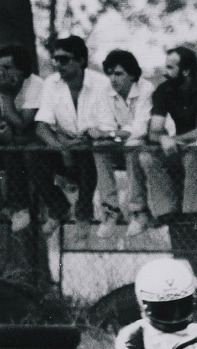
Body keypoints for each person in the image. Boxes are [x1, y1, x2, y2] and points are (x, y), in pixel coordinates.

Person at [35, 35, 115, 234]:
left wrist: (84, 139)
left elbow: (107, 125)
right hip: (64, 144)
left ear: (80, 61)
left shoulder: (102, 84)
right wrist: (62, 147)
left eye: (64, 60)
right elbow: (41, 126)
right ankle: (58, 207)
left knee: (89, 154)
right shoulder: (51, 83)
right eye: (55, 60)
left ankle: (83, 214)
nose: (58, 65)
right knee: (34, 156)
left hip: (92, 144)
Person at [138, 46, 197, 230]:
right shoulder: (163, 90)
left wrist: (174, 140)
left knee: (192, 156)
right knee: (146, 156)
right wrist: (164, 138)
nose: (165, 72)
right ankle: (166, 212)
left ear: (186, 70)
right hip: (180, 146)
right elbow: (154, 130)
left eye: (171, 68)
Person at [92, 50, 155, 237]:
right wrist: (108, 133)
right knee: (98, 147)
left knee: (133, 144)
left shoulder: (146, 88)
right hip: (119, 141)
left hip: (142, 144)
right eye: (109, 73)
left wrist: (113, 133)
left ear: (133, 74)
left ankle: (139, 211)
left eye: (118, 73)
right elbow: (105, 124)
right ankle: (110, 211)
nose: (112, 78)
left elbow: (141, 126)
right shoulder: (105, 91)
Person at [0, 43, 43, 232]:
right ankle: (6, 207)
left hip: (36, 142)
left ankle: (20, 208)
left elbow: (24, 124)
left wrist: (6, 95)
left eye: (7, 68)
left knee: (16, 151)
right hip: (10, 139)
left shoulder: (35, 85)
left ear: (22, 70)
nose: (2, 73)